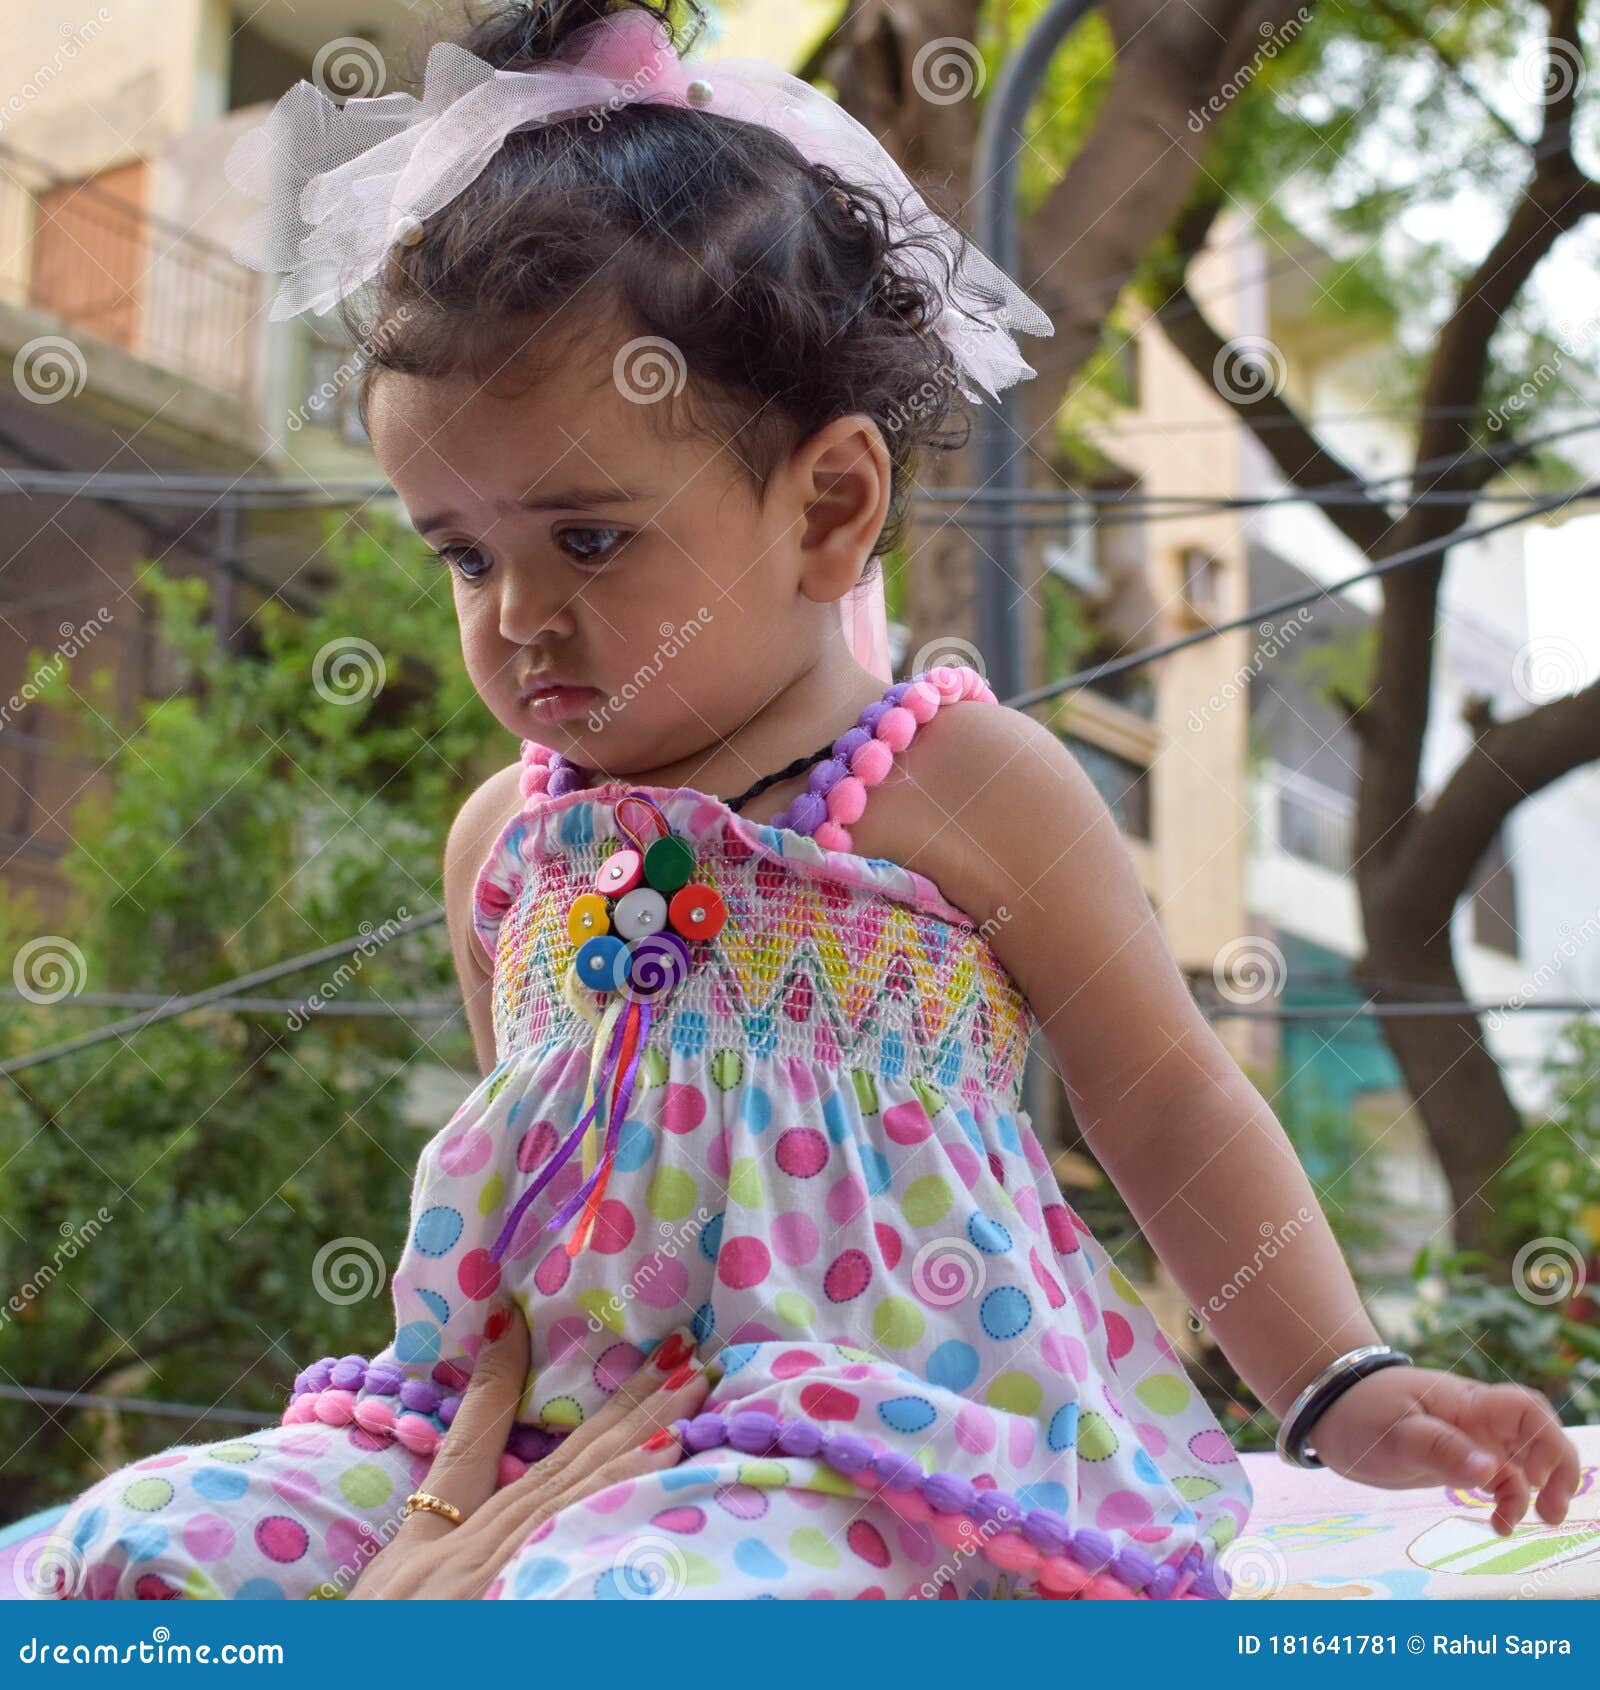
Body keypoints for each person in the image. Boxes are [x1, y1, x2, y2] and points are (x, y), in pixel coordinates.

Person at [42, 0, 1580, 1602]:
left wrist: (1340, 1383)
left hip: (860, 1454)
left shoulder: (963, 783)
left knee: (631, 1607)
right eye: (462, 551)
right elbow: (539, 1177)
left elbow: (1170, 1104)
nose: (512, 615)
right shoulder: (505, 843)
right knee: (132, 1557)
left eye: (586, 538)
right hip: (505, 1444)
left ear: (832, 506)